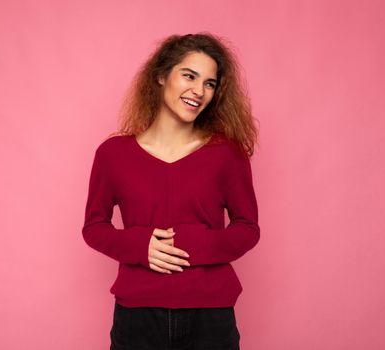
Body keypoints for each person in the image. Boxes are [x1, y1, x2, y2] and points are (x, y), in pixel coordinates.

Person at [82, 32, 260, 350]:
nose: (199, 91)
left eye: (210, 83)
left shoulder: (227, 154)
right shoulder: (112, 154)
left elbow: (247, 229)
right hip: (137, 317)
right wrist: (140, 245)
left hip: (211, 317)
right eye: (189, 76)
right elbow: (94, 227)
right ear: (162, 75)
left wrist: (194, 243)